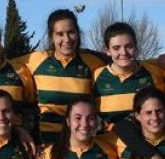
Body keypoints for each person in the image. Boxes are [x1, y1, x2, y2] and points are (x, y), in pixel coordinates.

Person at [16, 9, 107, 143]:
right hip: (47, 144)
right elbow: (1, 64)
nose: (67, 39)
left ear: (78, 33)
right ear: (51, 36)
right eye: (60, 34)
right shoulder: (35, 60)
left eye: (71, 32)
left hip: (81, 142)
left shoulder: (94, 62)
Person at [92, 22, 165, 132]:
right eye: (116, 48)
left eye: (129, 46)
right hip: (109, 144)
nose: (123, 52)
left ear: (136, 47)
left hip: (144, 144)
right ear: (107, 50)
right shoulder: (96, 76)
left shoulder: (155, 72)